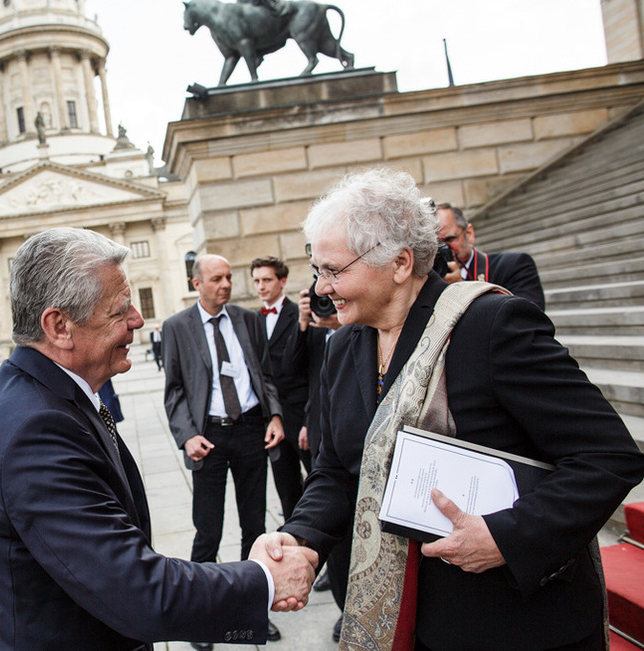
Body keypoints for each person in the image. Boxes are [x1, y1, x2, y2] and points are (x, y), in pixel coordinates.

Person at [260, 168, 644, 650]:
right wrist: (300, 540)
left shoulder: (492, 326)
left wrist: (504, 536)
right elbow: (337, 469)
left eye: (334, 271)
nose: (320, 289)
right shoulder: (343, 346)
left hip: (516, 624)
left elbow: (608, 456)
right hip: (411, 620)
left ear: (400, 263)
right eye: (317, 270)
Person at [0, 227, 318, 650]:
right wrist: (262, 581)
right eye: (119, 310)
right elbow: (137, 590)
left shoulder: (38, 395)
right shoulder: (35, 430)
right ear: (58, 326)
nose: (137, 320)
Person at [162, 254, 286, 647]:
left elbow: (265, 376)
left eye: (229, 277)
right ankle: (203, 619)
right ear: (196, 283)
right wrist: (187, 436)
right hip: (209, 438)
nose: (226, 285)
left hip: (251, 431)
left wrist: (276, 417)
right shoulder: (177, 327)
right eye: (217, 278)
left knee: (255, 528)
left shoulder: (247, 320)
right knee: (208, 530)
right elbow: (175, 391)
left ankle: (254, 612)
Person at [281, 284, 346, 640]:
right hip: (322, 433)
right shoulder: (322, 335)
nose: (326, 292)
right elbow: (297, 374)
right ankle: (344, 604)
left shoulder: (360, 329)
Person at [250, 256, 310, 522]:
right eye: (256, 281)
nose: (261, 286)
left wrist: (310, 419)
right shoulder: (252, 321)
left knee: (317, 482)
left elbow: (310, 370)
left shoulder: (300, 314)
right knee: (286, 489)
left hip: (301, 415)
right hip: (271, 421)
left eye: (267, 280)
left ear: (282, 281)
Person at [435, 202, 546, 309]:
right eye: (436, 244)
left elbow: (530, 318)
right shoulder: (430, 279)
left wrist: (462, 289)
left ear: (469, 234)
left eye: (449, 239)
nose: (445, 249)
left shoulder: (514, 266)